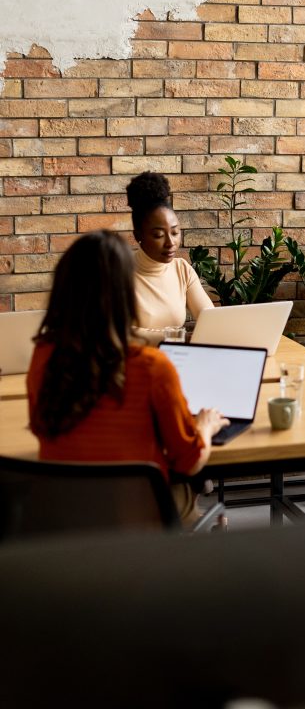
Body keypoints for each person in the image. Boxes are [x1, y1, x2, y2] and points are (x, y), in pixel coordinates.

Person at [27, 231, 227, 522]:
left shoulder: (43, 357)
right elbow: (190, 460)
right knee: (192, 486)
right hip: (137, 520)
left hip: (65, 521)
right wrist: (205, 427)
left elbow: (39, 427)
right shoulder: (152, 367)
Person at [126, 171, 213, 341]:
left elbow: (210, 320)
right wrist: (178, 338)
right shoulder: (119, 273)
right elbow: (120, 333)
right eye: (158, 235)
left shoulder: (181, 269)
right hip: (135, 363)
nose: (170, 242)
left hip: (177, 360)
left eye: (175, 232)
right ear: (138, 236)